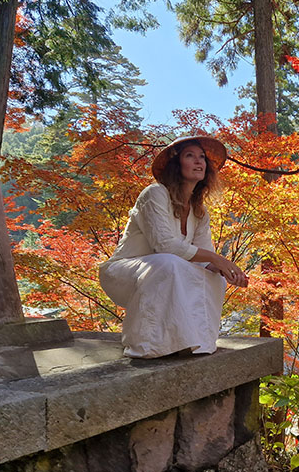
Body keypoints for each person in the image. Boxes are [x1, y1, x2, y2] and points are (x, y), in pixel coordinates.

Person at [99, 134, 248, 358]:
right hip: (124, 272)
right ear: (176, 165)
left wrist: (227, 271)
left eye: (202, 157)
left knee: (212, 277)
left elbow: (205, 258)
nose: (199, 161)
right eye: (190, 156)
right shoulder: (154, 194)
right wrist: (219, 260)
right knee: (169, 263)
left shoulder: (200, 210)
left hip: (164, 269)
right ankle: (145, 344)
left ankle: (194, 342)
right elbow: (164, 245)